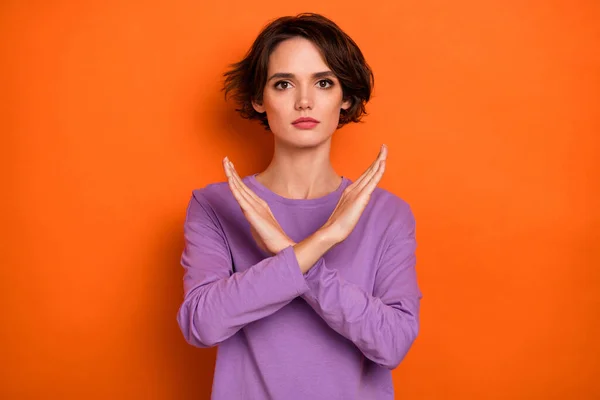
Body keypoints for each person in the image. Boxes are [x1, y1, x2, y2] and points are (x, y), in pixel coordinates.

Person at [177, 12, 422, 400]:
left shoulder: (387, 214)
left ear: (346, 98)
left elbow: (392, 344)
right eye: (284, 83)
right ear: (259, 99)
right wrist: (321, 242)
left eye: (323, 83)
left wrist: (293, 255)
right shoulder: (215, 206)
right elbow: (202, 324)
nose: (304, 101)